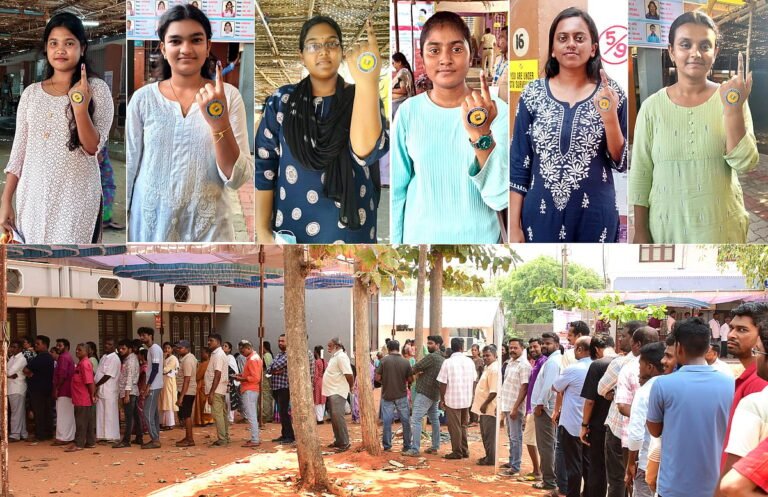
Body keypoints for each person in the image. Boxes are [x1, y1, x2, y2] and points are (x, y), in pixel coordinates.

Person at [255, 17, 386, 244]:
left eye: (332, 44)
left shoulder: (361, 96)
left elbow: (365, 153)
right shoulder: (282, 101)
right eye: (314, 45)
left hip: (352, 229)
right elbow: (265, 167)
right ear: (302, 55)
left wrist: (367, 84)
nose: (323, 51)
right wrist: (262, 233)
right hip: (292, 227)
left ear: (342, 51)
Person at [127, 5, 253, 242]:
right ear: (164, 48)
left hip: (208, 233)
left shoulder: (229, 96)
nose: (186, 49)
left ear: (207, 47)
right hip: (150, 231)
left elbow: (237, 178)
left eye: (195, 40)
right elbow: (131, 167)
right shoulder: (143, 100)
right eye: (175, 41)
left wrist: (219, 122)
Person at [630, 12, 758, 244]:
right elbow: (640, 174)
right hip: (666, 229)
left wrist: (732, 110)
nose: (695, 53)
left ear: (715, 52)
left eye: (705, 46)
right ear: (671, 51)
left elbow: (746, 163)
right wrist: (640, 231)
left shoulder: (732, 99)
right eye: (685, 44)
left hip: (722, 229)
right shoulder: (651, 108)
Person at [510, 7, 626, 243]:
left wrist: (609, 116)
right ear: (553, 49)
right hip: (540, 217)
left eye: (579, 38)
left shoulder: (612, 94)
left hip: (595, 217)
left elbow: (620, 161)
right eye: (563, 38)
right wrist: (514, 227)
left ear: (593, 48)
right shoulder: (532, 94)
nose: (571, 44)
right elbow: (519, 164)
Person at [392, 12, 508, 244]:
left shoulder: (498, 112)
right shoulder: (408, 113)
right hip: (419, 239)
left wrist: (482, 134)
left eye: (456, 49)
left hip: (481, 239)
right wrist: (396, 246)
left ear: (471, 54)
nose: (445, 59)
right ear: (423, 58)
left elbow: (499, 198)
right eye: (434, 50)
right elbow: (396, 193)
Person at [0, 12, 114, 244]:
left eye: (69, 43)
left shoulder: (97, 89)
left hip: (76, 196)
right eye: (54, 43)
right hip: (32, 196)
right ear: (46, 49)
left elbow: (92, 147)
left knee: (67, 264)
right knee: (33, 262)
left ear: (82, 48)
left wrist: (80, 108)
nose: (60, 50)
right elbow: (18, 153)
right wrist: (6, 200)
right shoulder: (31, 93)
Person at [646, 318, 734, 497]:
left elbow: (654, 430)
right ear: (709, 348)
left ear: (678, 347)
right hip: (715, 487)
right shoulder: (731, 385)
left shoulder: (662, 385)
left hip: (673, 487)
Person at [597, 320, 645, 497]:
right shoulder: (663, 363)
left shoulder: (622, 363)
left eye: (624, 335)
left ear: (636, 340)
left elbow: (601, 388)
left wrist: (614, 392)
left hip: (619, 429)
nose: (621, 339)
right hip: (647, 431)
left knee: (617, 479)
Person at [720, 326, 768, 496]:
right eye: (731, 328)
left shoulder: (755, 400)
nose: (731, 335)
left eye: (742, 329)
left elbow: (732, 487)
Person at [553, 336, 592, 497]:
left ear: (580, 349)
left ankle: (572, 493)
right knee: (588, 464)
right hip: (590, 423)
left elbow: (556, 387)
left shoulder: (574, 368)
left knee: (573, 465)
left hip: (572, 423)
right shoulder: (597, 367)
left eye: (574, 347)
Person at [624, 342, 665, 497]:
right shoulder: (673, 387)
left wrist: (630, 464)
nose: (638, 369)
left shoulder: (645, 391)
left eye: (640, 364)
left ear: (649, 367)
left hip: (647, 461)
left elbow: (635, 434)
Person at [579, 335, 617, 496]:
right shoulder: (627, 363)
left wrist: (584, 425)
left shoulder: (598, 365)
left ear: (595, 350)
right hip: (620, 425)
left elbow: (590, 401)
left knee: (597, 468)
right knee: (618, 472)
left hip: (598, 425)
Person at [404, 335, 445, 457]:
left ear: (437, 345)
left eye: (431, 343)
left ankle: (415, 449)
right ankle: (435, 446)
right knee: (434, 419)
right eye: (428, 343)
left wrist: (417, 373)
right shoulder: (442, 359)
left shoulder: (432, 357)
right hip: (435, 393)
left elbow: (415, 368)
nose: (428, 345)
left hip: (425, 392)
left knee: (416, 419)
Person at [437, 337, 477, 460]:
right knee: (463, 425)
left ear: (452, 347)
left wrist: (442, 399)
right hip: (466, 398)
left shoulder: (448, 362)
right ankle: (464, 450)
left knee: (455, 427)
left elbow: (442, 383)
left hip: (452, 399)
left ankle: (457, 451)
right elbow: (474, 380)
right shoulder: (470, 362)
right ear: (462, 348)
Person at [500, 338, 531, 476]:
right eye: (510, 347)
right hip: (507, 404)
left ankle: (515, 467)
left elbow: (524, 388)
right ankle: (512, 461)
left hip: (515, 407)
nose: (512, 350)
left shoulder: (524, 365)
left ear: (522, 348)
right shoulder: (510, 363)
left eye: (515, 348)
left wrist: (515, 408)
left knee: (515, 437)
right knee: (511, 436)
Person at [375, 339, 413, 453]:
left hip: (387, 395)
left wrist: (385, 381)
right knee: (405, 420)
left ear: (388, 348)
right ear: (398, 347)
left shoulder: (383, 361)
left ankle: (387, 446)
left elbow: (377, 378)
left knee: (387, 421)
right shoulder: (406, 362)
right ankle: (407, 445)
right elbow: (411, 379)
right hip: (401, 394)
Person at [323, 337, 354, 451]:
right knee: (334, 417)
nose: (328, 348)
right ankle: (339, 440)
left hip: (338, 391)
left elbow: (349, 374)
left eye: (330, 346)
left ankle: (344, 442)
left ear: (337, 346)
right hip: (332, 391)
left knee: (338, 417)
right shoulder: (335, 357)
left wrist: (351, 386)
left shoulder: (341, 357)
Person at [66, 343, 96, 452]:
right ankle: (90, 442)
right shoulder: (81, 363)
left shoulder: (85, 364)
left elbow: (90, 382)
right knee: (87, 421)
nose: (77, 351)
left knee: (81, 422)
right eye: (77, 349)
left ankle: (79, 444)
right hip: (80, 397)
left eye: (80, 350)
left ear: (87, 352)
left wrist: (92, 395)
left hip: (83, 398)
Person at [23, 335, 55, 441]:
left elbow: (26, 370)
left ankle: (40, 435)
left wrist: (31, 375)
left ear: (45, 345)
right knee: (47, 412)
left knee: (39, 413)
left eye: (38, 344)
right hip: (47, 388)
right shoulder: (49, 357)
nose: (35, 346)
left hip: (38, 389)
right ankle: (48, 433)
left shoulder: (41, 357)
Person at [473, 344, 499, 466]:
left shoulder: (494, 370)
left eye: (488, 355)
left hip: (489, 407)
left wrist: (484, 404)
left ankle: (491, 458)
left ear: (495, 355)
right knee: (485, 434)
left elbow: (494, 391)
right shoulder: (488, 368)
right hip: (483, 408)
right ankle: (489, 456)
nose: (485, 358)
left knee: (489, 435)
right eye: (484, 356)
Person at [138, 327, 164, 449]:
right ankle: (155, 437)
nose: (141, 338)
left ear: (150, 335)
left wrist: (148, 386)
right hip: (154, 384)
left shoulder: (154, 349)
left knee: (147, 413)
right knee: (153, 413)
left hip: (154, 385)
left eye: (143, 335)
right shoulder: (152, 349)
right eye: (140, 335)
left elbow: (155, 368)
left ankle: (155, 439)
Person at [234, 340, 262, 448]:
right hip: (250, 389)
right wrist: (241, 375)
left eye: (242, 351)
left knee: (251, 415)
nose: (241, 353)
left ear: (248, 348)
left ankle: (255, 439)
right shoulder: (252, 358)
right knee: (252, 415)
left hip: (250, 389)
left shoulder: (253, 359)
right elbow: (251, 374)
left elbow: (255, 378)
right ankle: (255, 438)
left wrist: (241, 378)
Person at [112, 339, 140, 449]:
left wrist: (127, 394)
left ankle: (126, 440)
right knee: (135, 415)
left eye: (123, 348)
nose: (121, 350)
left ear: (130, 349)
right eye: (119, 348)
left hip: (130, 391)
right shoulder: (128, 359)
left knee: (129, 417)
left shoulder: (131, 361)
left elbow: (129, 378)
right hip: (130, 391)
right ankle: (139, 436)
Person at [267, 334, 294, 444]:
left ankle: (290, 436)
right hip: (276, 387)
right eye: (279, 341)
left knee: (284, 412)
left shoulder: (289, 354)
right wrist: (275, 370)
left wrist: (275, 369)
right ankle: (284, 434)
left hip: (284, 387)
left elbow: (275, 367)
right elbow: (269, 368)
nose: (280, 343)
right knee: (281, 413)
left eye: (282, 341)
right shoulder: (279, 355)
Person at [94, 338, 121, 442]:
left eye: (109, 344)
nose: (106, 346)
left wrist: (96, 384)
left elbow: (108, 375)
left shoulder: (115, 358)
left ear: (114, 347)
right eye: (106, 343)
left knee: (110, 413)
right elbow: (99, 372)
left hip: (110, 390)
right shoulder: (104, 357)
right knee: (101, 412)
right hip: (101, 390)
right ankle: (102, 435)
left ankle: (112, 436)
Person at [204, 334, 229, 446]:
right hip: (220, 389)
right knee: (222, 415)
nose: (208, 342)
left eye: (211, 340)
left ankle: (222, 439)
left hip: (217, 390)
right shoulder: (216, 354)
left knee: (218, 414)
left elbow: (217, 374)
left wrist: (212, 392)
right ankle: (225, 437)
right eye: (208, 340)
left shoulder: (218, 355)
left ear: (218, 342)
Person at [52, 338, 75, 446]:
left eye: (60, 345)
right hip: (69, 390)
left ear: (66, 347)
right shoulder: (68, 357)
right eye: (57, 345)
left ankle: (63, 438)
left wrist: (57, 388)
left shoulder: (63, 357)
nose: (57, 347)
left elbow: (62, 375)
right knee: (68, 414)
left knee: (62, 414)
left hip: (63, 390)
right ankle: (69, 436)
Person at [173, 340, 197, 446]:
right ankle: (187, 437)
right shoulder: (186, 358)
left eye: (180, 348)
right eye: (177, 348)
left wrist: (181, 397)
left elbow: (187, 379)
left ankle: (190, 439)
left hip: (187, 391)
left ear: (187, 348)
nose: (178, 349)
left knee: (187, 415)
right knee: (185, 414)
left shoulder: (188, 360)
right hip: (186, 390)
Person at [7, 340, 28, 442]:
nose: (12, 349)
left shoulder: (21, 359)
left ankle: (15, 435)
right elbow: (6, 371)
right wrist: (9, 375)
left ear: (20, 349)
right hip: (11, 387)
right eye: (12, 347)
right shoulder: (12, 358)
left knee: (16, 412)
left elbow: (9, 371)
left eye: (15, 347)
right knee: (20, 412)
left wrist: (9, 374)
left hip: (17, 388)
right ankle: (23, 433)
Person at [194, 347, 213, 427]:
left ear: (207, 354)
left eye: (203, 353)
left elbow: (197, 376)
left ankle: (204, 420)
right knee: (207, 403)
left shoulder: (205, 364)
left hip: (202, 385)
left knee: (202, 403)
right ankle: (209, 419)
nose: (201, 354)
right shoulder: (211, 363)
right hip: (208, 384)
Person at [392, 52, 415, 117]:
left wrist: (391, 90)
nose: (393, 66)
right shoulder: (404, 72)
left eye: (394, 63)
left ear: (399, 62)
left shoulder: (403, 72)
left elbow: (403, 90)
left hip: (400, 103)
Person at [469, 343, 483, 425]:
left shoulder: (480, 360)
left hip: (476, 382)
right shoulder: (469, 360)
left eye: (475, 350)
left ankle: (475, 420)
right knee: (469, 400)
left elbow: (481, 372)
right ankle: (471, 419)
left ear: (478, 351)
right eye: (472, 350)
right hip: (469, 382)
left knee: (474, 400)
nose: (473, 352)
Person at [261, 341, 274, 423]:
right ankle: (267, 415)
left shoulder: (266, 355)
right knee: (266, 397)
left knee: (266, 397)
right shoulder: (268, 355)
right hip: (266, 378)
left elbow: (268, 368)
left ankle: (267, 415)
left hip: (266, 379)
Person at [313, 345, 326, 423]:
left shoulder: (317, 362)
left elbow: (316, 375)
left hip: (318, 383)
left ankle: (319, 419)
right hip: (324, 381)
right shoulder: (325, 361)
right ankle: (321, 417)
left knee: (317, 400)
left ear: (316, 353)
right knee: (323, 400)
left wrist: (313, 384)